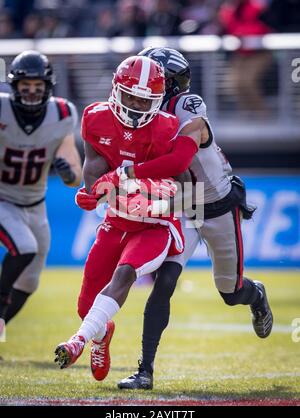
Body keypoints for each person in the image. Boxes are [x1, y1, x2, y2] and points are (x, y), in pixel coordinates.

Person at [116, 47, 274, 390]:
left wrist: (129, 173)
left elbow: (177, 160)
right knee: (165, 282)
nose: (143, 92)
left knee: (230, 293)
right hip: (185, 208)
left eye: (151, 81)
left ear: (168, 84)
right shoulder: (147, 116)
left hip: (217, 204)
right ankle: (145, 370)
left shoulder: (187, 106)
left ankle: (256, 295)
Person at [54, 55, 199, 381]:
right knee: (86, 304)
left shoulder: (167, 128)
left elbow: (186, 185)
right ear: (116, 91)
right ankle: (101, 335)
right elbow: (94, 166)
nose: (134, 104)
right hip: (116, 221)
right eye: (130, 96)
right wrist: (92, 191)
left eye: (142, 99)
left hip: (155, 225)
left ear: (156, 101)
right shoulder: (96, 118)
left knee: (125, 273)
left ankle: (78, 341)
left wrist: (145, 192)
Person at [0, 50, 82, 328]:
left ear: (48, 86)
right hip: (2, 198)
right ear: (14, 86)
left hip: (35, 205)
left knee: (30, 280)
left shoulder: (61, 113)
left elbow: (75, 177)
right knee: (24, 247)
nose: (32, 92)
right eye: (26, 87)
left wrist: (68, 171)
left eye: (38, 87)